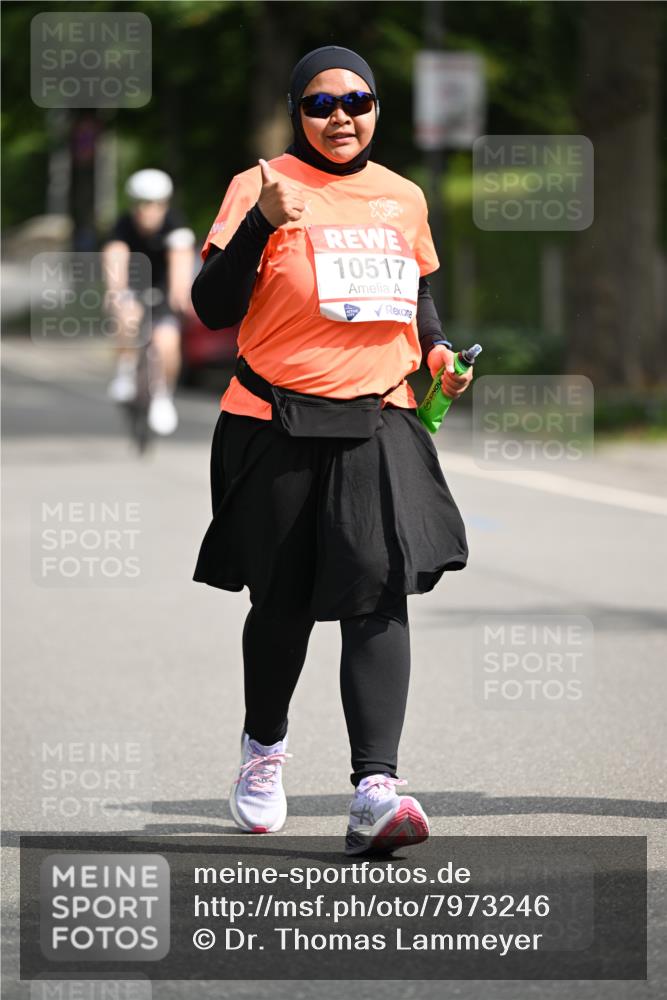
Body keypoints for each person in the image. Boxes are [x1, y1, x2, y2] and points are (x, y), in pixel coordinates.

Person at [191, 46, 472, 855]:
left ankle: (375, 791)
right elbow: (211, 307)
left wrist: (440, 352)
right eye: (321, 104)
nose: (340, 116)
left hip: (379, 416)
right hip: (272, 418)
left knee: (378, 592)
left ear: (376, 108)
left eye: (357, 100)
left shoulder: (403, 198)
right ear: (297, 112)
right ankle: (263, 753)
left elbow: (417, 304)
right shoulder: (261, 186)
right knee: (281, 600)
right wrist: (261, 223)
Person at [102, 169, 196, 435]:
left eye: (156, 204)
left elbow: (181, 261)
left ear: (164, 204)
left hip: (163, 287)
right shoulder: (122, 225)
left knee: (167, 342)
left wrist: (181, 294)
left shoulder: (176, 225)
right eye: (143, 204)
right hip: (134, 284)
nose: (149, 210)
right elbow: (115, 257)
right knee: (127, 313)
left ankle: (163, 395)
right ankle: (125, 369)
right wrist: (115, 292)